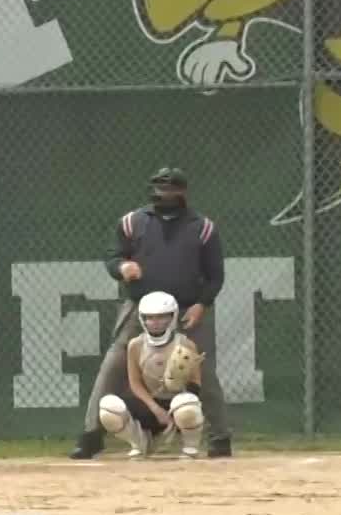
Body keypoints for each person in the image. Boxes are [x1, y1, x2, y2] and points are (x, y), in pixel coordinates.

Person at [71, 166, 234, 459]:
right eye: (161, 190)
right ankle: (91, 434)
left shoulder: (203, 227)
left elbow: (215, 276)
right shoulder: (132, 222)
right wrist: (122, 268)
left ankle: (220, 437)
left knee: (201, 368)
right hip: (140, 308)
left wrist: (202, 304)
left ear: (183, 193)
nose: (166, 195)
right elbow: (112, 256)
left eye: (172, 190)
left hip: (185, 308)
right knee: (115, 363)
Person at [99, 292, 209, 457]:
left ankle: (190, 446)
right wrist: (156, 409)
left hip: (176, 402)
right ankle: (140, 443)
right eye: (149, 318)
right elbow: (135, 383)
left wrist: (179, 393)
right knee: (109, 407)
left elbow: (196, 383)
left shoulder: (185, 344)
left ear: (172, 317)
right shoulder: (135, 345)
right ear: (142, 319)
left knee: (187, 406)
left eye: (161, 317)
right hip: (149, 403)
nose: (155, 323)